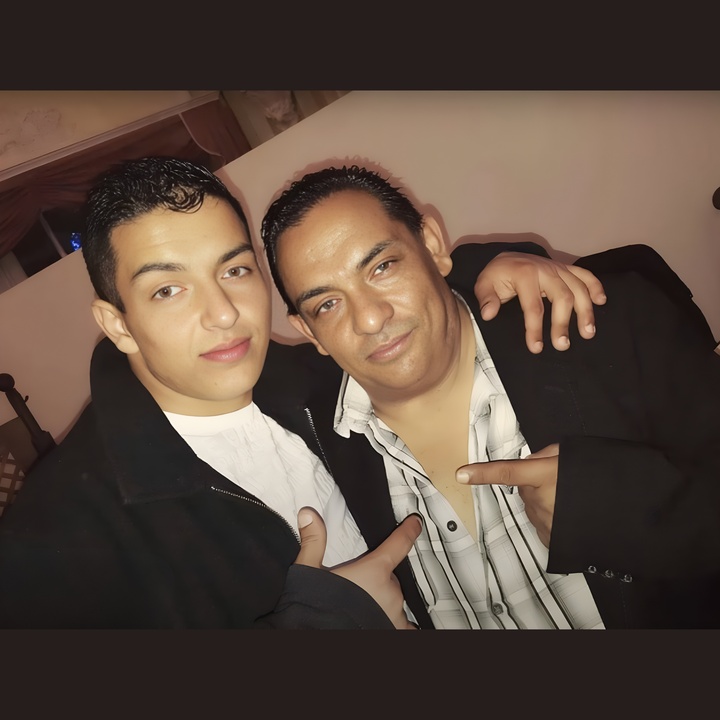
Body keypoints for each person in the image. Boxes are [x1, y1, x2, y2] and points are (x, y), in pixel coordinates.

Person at [0, 157, 602, 629]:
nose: (223, 313)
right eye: (167, 290)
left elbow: (394, 310)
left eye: (234, 270)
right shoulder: (56, 537)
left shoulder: (316, 381)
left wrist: (490, 267)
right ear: (118, 324)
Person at [260, 163, 720, 629]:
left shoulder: (611, 326)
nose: (370, 318)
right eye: (327, 304)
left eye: (383, 266)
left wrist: (623, 508)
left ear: (432, 245)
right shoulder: (305, 439)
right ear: (308, 331)